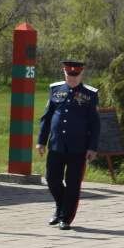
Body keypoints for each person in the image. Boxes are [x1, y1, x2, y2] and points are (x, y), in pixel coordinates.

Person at [36, 60, 100, 230]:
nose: (72, 79)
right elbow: (47, 117)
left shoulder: (90, 94)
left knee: (72, 183)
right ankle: (60, 206)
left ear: (81, 75)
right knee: (52, 179)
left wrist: (92, 147)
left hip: (78, 147)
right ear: (64, 73)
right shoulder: (55, 89)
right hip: (56, 144)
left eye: (75, 76)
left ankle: (65, 217)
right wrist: (41, 141)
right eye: (68, 75)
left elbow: (95, 123)